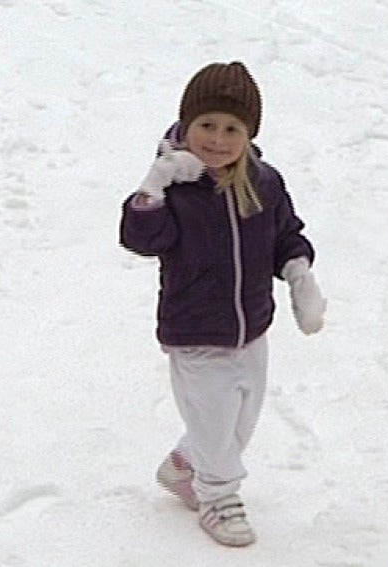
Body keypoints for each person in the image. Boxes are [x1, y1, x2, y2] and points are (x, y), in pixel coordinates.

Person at [119, 61, 326, 547]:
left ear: (248, 133)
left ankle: (184, 467)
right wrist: (154, 186)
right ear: (187, 125)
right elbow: (141, 239)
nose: (217, 138)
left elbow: (285, 236)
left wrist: (300, 278)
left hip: (251, 327)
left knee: (238, 423)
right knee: (214, 422)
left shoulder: (264, 182)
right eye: (206, 125)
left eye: (232, 128)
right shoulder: (176, 188)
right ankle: (216, 498)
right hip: (194, 331)